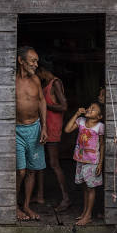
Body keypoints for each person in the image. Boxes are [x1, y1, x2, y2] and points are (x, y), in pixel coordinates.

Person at [15, 46, 47, 220]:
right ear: (21, 61)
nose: (36, 64)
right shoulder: (12, 81)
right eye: (33, 61)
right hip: (17, 130)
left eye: (37, 61)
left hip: (34, 128)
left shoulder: (35, 80)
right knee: (20, 171)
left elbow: (42, 101)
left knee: (32, 171)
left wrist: (44, 127)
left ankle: (26, 205)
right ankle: (14, 205)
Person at [33, 66, 70, 212]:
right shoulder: (46, 84)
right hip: (44, 128)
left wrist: (44, 105)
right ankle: (40, 195)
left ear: (42, 70)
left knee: (54, 164)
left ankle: (66, 198)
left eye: (38, 73)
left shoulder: (55, 83)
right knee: (40, 162)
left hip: (53, 128)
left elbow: (64, 106)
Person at [64, 102, 105, 226]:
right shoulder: (81, 121)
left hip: (92, 161)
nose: (89, 109)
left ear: (99, 117)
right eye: (89, 107)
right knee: (85, 188)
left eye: (93, 109)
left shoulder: (100, 126)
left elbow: (102, 145)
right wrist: (76, 113)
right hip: (80, 159)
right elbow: (67, 130)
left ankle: (88, 216)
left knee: (91, 188)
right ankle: (85, 212)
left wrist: (100, 164)